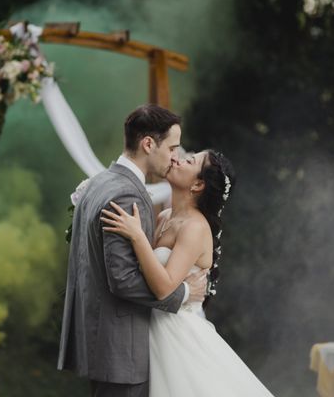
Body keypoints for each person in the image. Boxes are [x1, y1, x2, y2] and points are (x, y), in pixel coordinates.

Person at [57, 104, 209, 397]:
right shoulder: (127, 194)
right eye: (173, 148)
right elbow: (123, 279)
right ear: (148, 144)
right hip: (120, 350)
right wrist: (183, 295)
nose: (175, 157)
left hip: (99, 342)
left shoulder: (99, 183)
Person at [100, 150, 276, 396]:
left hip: (177, 335)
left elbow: (164, 288)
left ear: (198, 184)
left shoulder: (195, 227)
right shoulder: (164, 216)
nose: (177, 159)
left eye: (189, 161)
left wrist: (138, 236)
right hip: (149, 328)